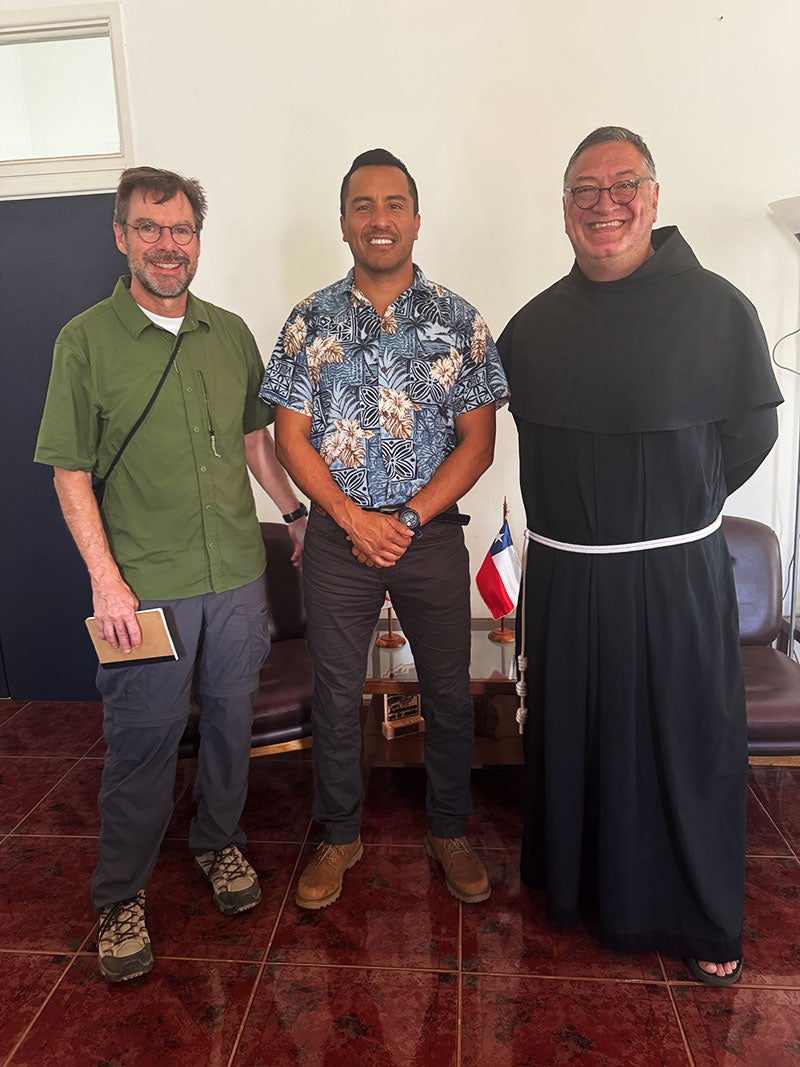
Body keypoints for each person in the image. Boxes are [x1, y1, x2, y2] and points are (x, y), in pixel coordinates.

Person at [497, 127, 782, 986]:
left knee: (684, 743)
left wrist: (675, 508)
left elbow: (750, 434)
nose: (604, 203)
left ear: (655, 198)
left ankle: (700, 915)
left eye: (623, 185)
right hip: (568, 574)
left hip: (672, 573)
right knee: (578, 732)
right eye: (585, 189)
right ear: (564, 210)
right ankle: (583, 889)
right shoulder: (534, 325)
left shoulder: (718, 308)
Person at [34, 166, 308, 983]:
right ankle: (120, 892)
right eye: (149, 228)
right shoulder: (84, 341)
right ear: (121, 236)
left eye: (180, 229)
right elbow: (70, 473)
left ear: (197, 240)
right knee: (142, 742)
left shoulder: (228, 334)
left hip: (234, 577)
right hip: (142, 587)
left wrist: (293, 514)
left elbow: (258, 439)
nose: (166, 244)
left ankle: (218, 843)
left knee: (229, 726)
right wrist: (106, 583)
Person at [259, 148, 509, 909]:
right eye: (362, 205)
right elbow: (288, 434)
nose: (379, 218)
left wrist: (402, 518)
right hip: (337, 543)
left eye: (393, 203)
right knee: (335, 695)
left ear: (416, 219)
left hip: (428, 537)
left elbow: (479, 441)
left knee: (449, 693)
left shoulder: (460, 321)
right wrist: (349, 519)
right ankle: (338, 835)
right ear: (343, 223)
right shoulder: (310, 320)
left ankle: (449, 828)